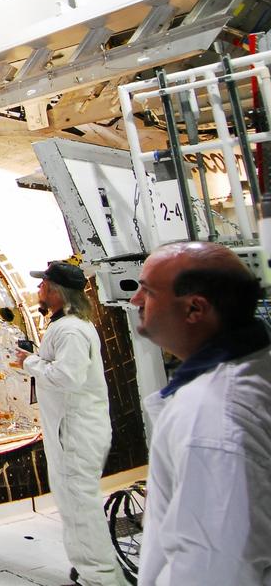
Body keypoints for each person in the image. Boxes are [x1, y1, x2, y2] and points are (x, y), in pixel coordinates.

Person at [129, 241, 271, 584]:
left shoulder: (211, 416)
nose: (135, 300)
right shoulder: (253, 370)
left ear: (194, 309)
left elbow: (213, 565)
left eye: (147, 290)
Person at [15, 261, 127, 586]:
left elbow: (67, 377)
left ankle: (101, 578)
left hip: (75, 433)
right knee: (73, 503)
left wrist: (29, 362)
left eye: (43, 284)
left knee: (80, 507)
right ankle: (88, 569)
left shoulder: (71, 330)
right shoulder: (67, 326)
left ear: (55, 291)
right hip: (71, 430)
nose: (38, 289)